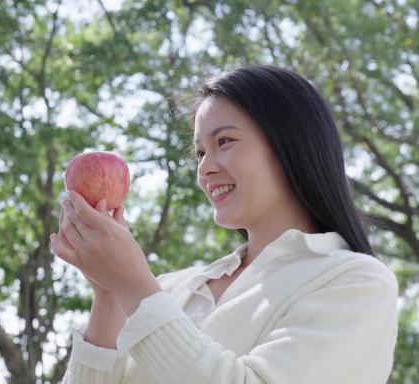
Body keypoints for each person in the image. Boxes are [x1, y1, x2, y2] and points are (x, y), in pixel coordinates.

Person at [50, 65, 398, 383]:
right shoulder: (168, 289)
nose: (204, 169)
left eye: (224, 142)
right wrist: (109, 294)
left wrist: (133, 289)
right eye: (200, 152)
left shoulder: (355, 282)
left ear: (291, 144)